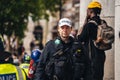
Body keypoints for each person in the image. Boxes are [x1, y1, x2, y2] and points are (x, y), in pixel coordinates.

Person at [78, 1, 105, 80]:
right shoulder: (103, 23)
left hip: (91, 57)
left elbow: (80, 38)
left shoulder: (89, 24)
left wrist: (85, 23)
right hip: (101, 55)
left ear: (90, 11)